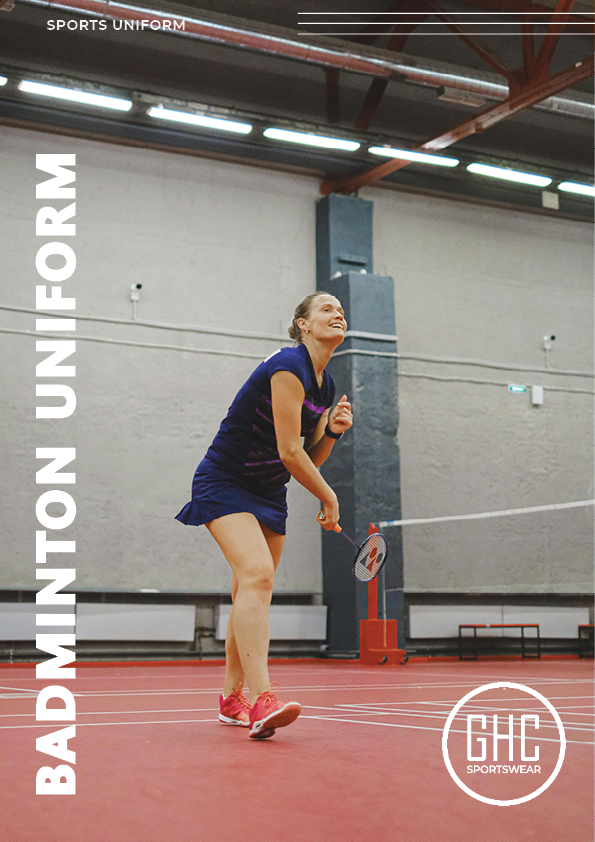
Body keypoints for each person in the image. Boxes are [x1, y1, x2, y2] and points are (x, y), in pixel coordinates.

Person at [175, 291, 352, 739]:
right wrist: (329, 498)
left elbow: (310, 454)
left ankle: (232, 698)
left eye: (340, 310)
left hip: (269, 492)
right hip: (225, 480)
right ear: (304, 324)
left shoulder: (325, 386)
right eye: (326, 309)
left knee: (248, 589)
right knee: (257, 575)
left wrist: (331, 431)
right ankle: (263, 700)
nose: (338, 313)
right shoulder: (288, 366)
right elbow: (290, 451)